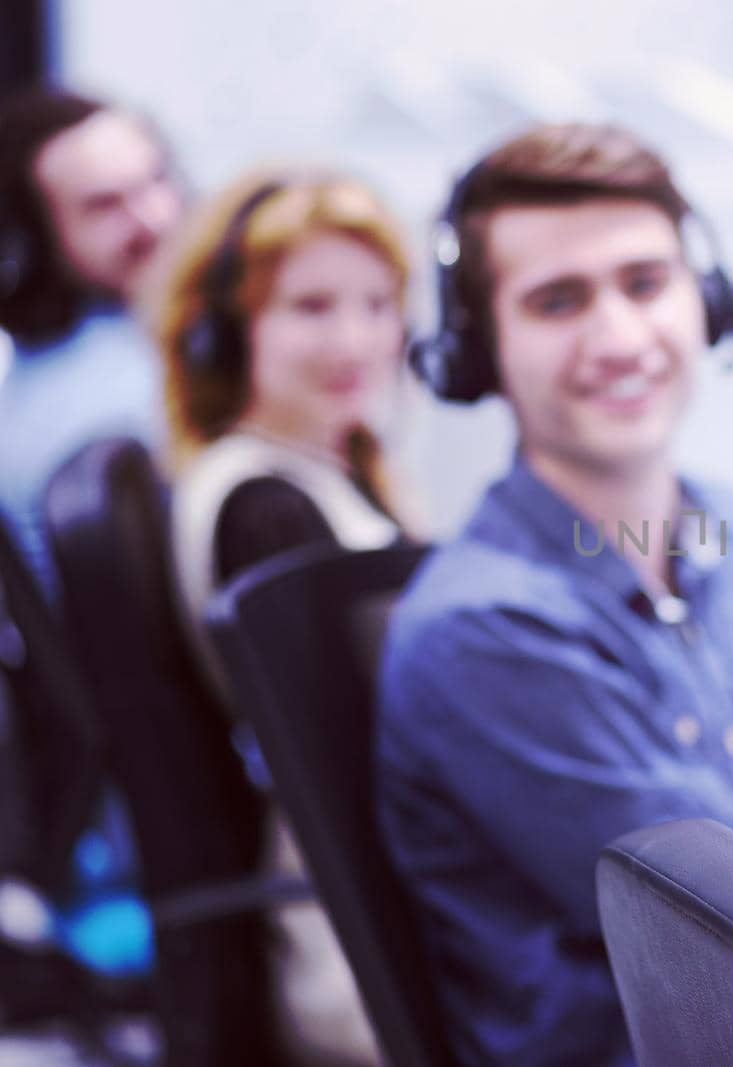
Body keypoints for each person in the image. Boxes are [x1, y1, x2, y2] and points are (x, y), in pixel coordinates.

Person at [376, 123, 733, 1066]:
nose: (620, 338)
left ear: (705, 299)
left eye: (645, 283)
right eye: (557, 301)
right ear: (479, 350)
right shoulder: (485, 629)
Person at [150, 170, 414, 1066]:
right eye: (310, 306)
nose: (355, 338)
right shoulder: (265, 507)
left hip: (367, 920)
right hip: (357, 957)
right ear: (227, 331)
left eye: (378, 304)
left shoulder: (311, 476)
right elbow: (357, 763)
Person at [0, 86, 183, 603]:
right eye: (105, 205)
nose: (154, 219)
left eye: (156, 181)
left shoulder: (157, 342)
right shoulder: (105, 404)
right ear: (28, 243)